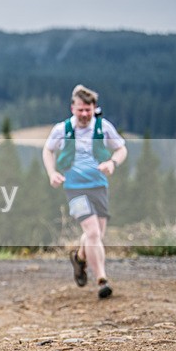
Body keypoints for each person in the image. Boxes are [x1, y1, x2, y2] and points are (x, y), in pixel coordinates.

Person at [42, 84, 127, 298]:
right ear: (72, 108)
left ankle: (80, 258)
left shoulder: (102, 127)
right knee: (92, 233)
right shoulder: (62, 130)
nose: (84, 114)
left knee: (96, 235)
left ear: (93, 108)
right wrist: (52, 173)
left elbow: (121, 148)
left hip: (98, 186)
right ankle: (102, 280)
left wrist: (112, 163)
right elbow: (48, 150)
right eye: (80, 110)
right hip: (74, 188)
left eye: (88, 110)